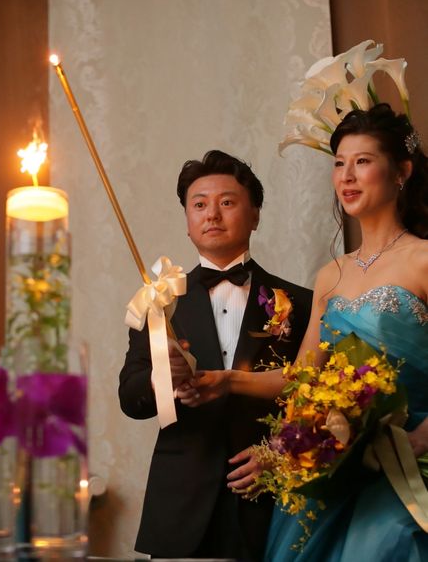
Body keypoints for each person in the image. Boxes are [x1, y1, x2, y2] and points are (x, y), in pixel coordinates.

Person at [187, 104, 428, 560]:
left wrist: (418, 440)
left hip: (412, 462)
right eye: (339, 163)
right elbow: (302, 378)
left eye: (362, 161)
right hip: (342, 464)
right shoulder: (330, 276)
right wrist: (232, 386)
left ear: (402, 171)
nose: (347, 176)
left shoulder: (423, 259)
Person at [118, 150, 312, 560]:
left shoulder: (301, 302)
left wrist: (279, 455)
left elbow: (313, 396)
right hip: (180, 504)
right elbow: (130, 399)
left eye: (227, 202)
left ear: (255, 215)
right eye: (199, 204)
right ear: (187, 221)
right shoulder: (158, 303)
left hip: (269, 498)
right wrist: (164, 380)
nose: (212, 215)